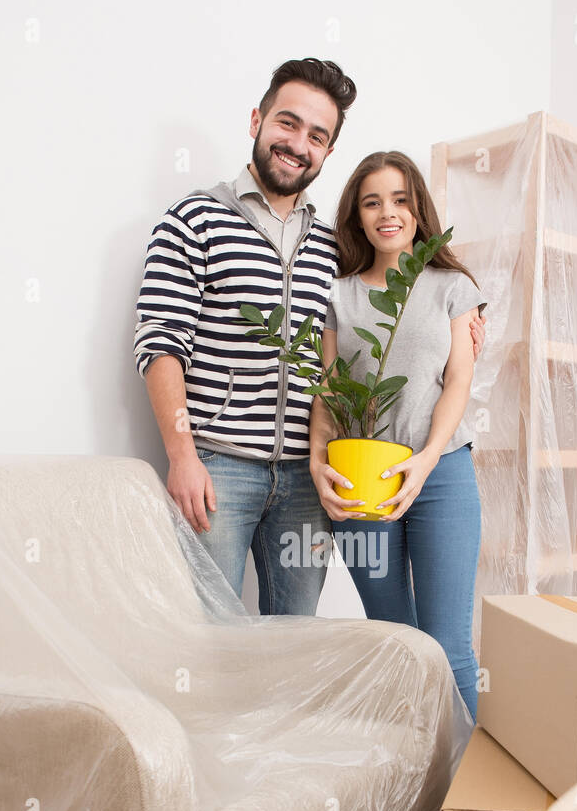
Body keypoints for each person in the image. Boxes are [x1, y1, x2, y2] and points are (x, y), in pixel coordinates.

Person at [134, 57, 485, 616]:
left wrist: (458, 327)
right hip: (219, 468)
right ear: (257, 121)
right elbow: (160, 343)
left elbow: (376, 317)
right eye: (287, 124)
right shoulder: (192, 219)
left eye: (316, 136)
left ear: (327, 152)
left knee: (297, 642)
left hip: (309, 478)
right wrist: (182, 455)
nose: (298, 144)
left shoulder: (335, 248)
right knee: (211, 636)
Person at [309, 151, 486, 720]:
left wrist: (429, 458)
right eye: (372, 201)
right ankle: (413, 789)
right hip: (364, 484)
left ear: (418, 210)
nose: (388, 212)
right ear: (357, 217)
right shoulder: (338, 296)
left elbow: (458, 379)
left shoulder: (453, 288)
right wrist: (318, 462)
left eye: (401, 199)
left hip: (444, 475)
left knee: (448, 645)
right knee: (397, 643)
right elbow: (329, 392)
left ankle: (465, 802)